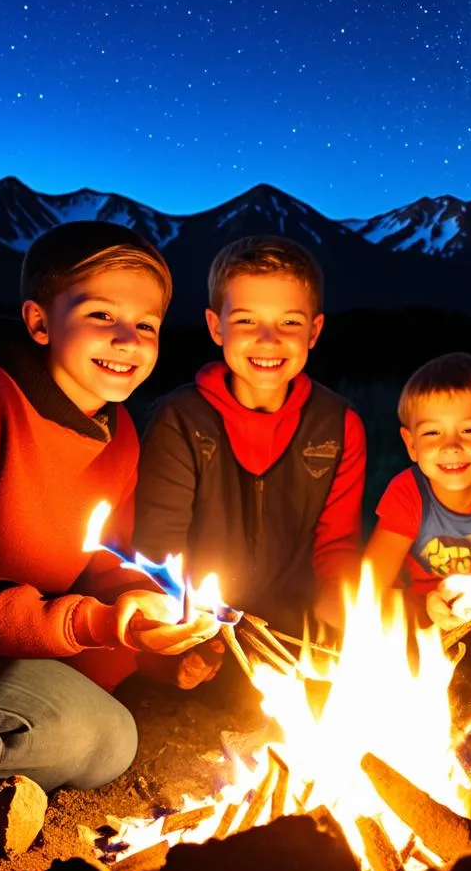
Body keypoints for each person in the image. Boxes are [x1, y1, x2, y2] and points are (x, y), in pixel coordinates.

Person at [0, 221, 220, 795]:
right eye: (102, 316)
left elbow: (105, 567)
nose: (128, 340)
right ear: (39, 321)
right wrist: (88, 623)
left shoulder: (120, 433)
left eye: (146, 325)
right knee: (89, 732)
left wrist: (152, 636)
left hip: (3, 653)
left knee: (107, 731)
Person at [133, 235, 366, 654]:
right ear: (215, 326)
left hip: (297, 636)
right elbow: (159, 550)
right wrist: (182, 643)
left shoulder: (338, 425)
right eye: (245, 321)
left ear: (314, 331)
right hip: (201, 632)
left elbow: (337, 548)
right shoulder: (181, 421)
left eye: (289, 323)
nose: (268, 339)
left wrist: (349, 630)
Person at [363, 353, 471, 717]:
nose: (451, 446)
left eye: (469, 430)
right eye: (432, 433)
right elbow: (367, 587)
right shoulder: (407, 495)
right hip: (424, 626)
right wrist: (423, 611)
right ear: (411, 444)